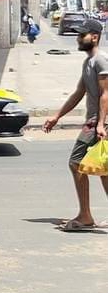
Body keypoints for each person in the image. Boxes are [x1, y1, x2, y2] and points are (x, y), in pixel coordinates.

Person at [43, 18, 108, 231]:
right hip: (95, 121)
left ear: (95, 37)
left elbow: (106, 94)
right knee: (104, 170)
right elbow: (79, 93)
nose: (78, 39)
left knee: (75, 162)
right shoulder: (88, 62)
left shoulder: (101, 61)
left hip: (97, 123)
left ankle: (85, 216)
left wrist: (100, 123)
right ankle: (86, 215)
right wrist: (57, 116)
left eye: (82, 35)